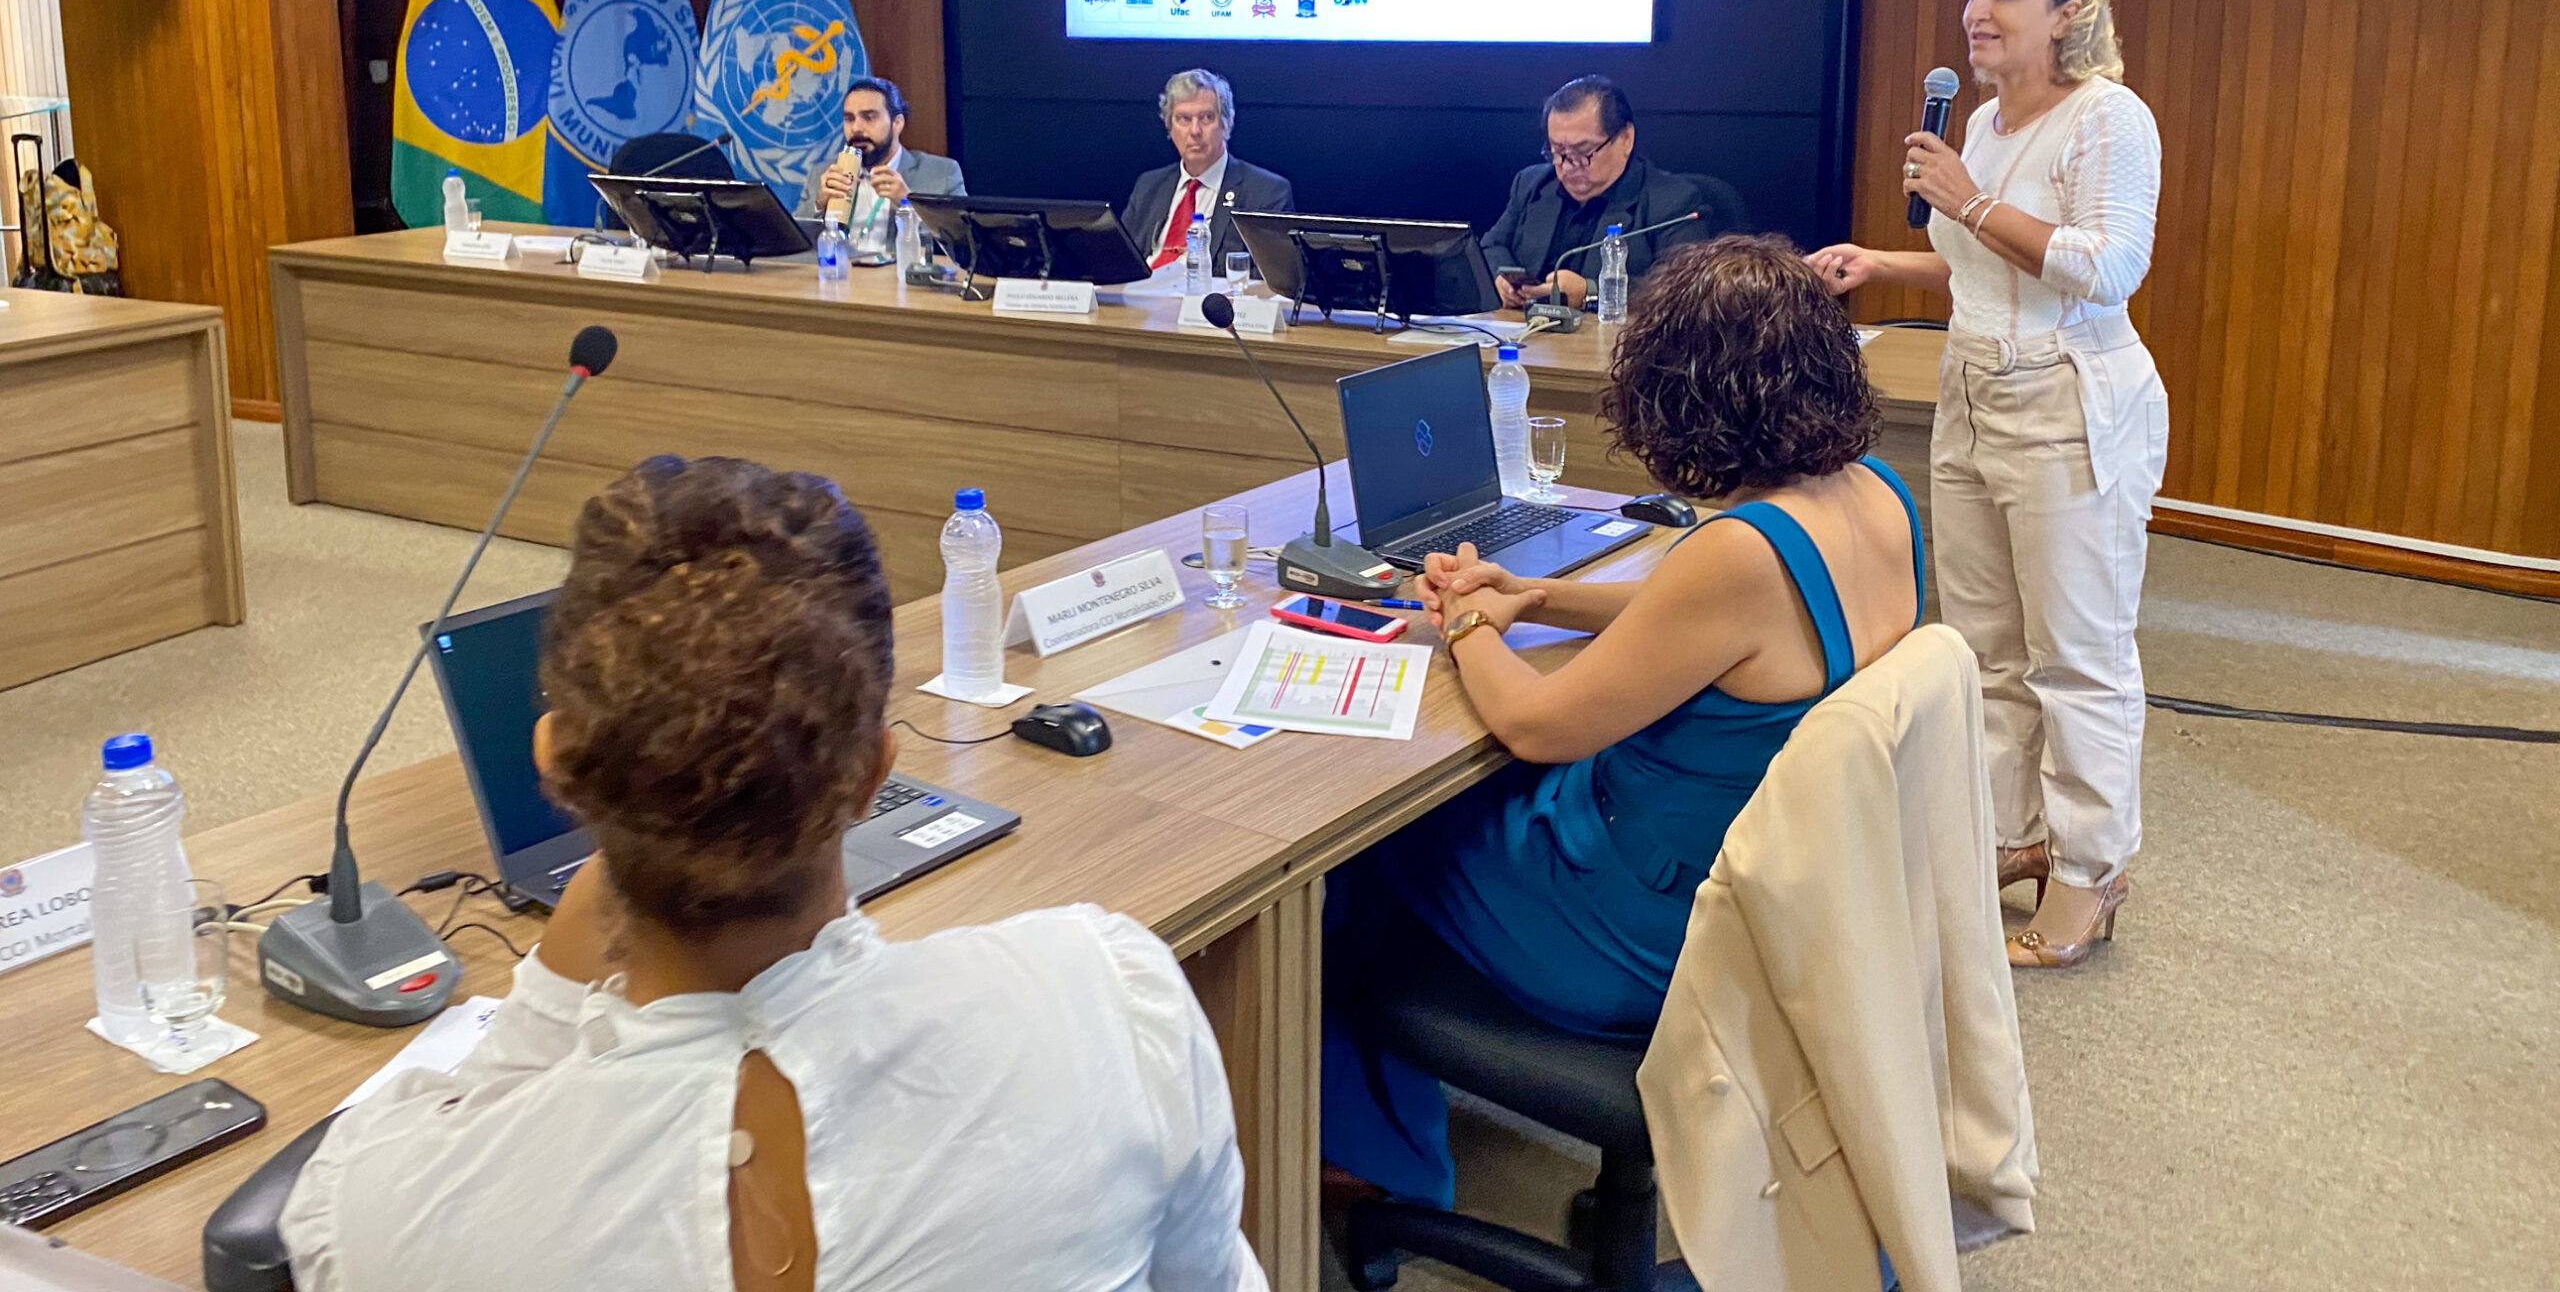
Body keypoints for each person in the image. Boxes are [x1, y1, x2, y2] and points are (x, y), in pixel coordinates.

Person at [282, 455, 1265, 1292]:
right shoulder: (1108, 999)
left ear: (557, 766)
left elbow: (416, 1148)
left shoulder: (389, 1216)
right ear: (872, 769)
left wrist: (547, 994)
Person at [1321, 237, 1925, 1208]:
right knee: (1472, 799)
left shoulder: (1736, 552)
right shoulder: (1876, 496)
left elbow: (1535, 726)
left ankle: (1382, 1165)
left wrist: (1463, 617)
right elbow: (1712, 631)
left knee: (1357, 849)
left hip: (1652, 929)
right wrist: (1529, 596)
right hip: (1784, 893)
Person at [1810, 0, 2167, 971]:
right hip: (1971, 393)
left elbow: (2104, 268)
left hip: (2067, 399)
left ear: (2068, 11)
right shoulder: (1982, 122)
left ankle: (2091, 874)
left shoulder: (2109, 119)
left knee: (2078, 655)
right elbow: (1981, 265)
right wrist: (1883, 259)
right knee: (1982, 645)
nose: (1976, 10)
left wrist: (1966, 198)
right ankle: (2012, 831)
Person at [1478, 76, 1747, 309]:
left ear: (1625, 139)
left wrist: (1591, 293)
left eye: (1584, 153)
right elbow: (1491, 246)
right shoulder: (1531, 184)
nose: (1568, 166)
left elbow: (1684, 290)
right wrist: (1502, 278)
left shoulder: (1674, 202)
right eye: (1557, 152)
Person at [1125, 68, 1294, 272]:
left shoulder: (1265, 192)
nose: (1195, 131)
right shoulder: (1149, 186)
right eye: (1184, 119)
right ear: (1170, 126)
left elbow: (1272, 279)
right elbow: (1119, 261)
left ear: (1227, 123)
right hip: (1142, 298)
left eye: (1206, 118)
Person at [798, 75, 965, 222]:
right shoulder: (822, 174)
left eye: (869, 117)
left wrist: (906, 204)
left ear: (897, 123)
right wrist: (819, 205)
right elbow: (795, 242)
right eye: (849, 118)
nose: (856, 128)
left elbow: (962, 241)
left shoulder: (942, 174)